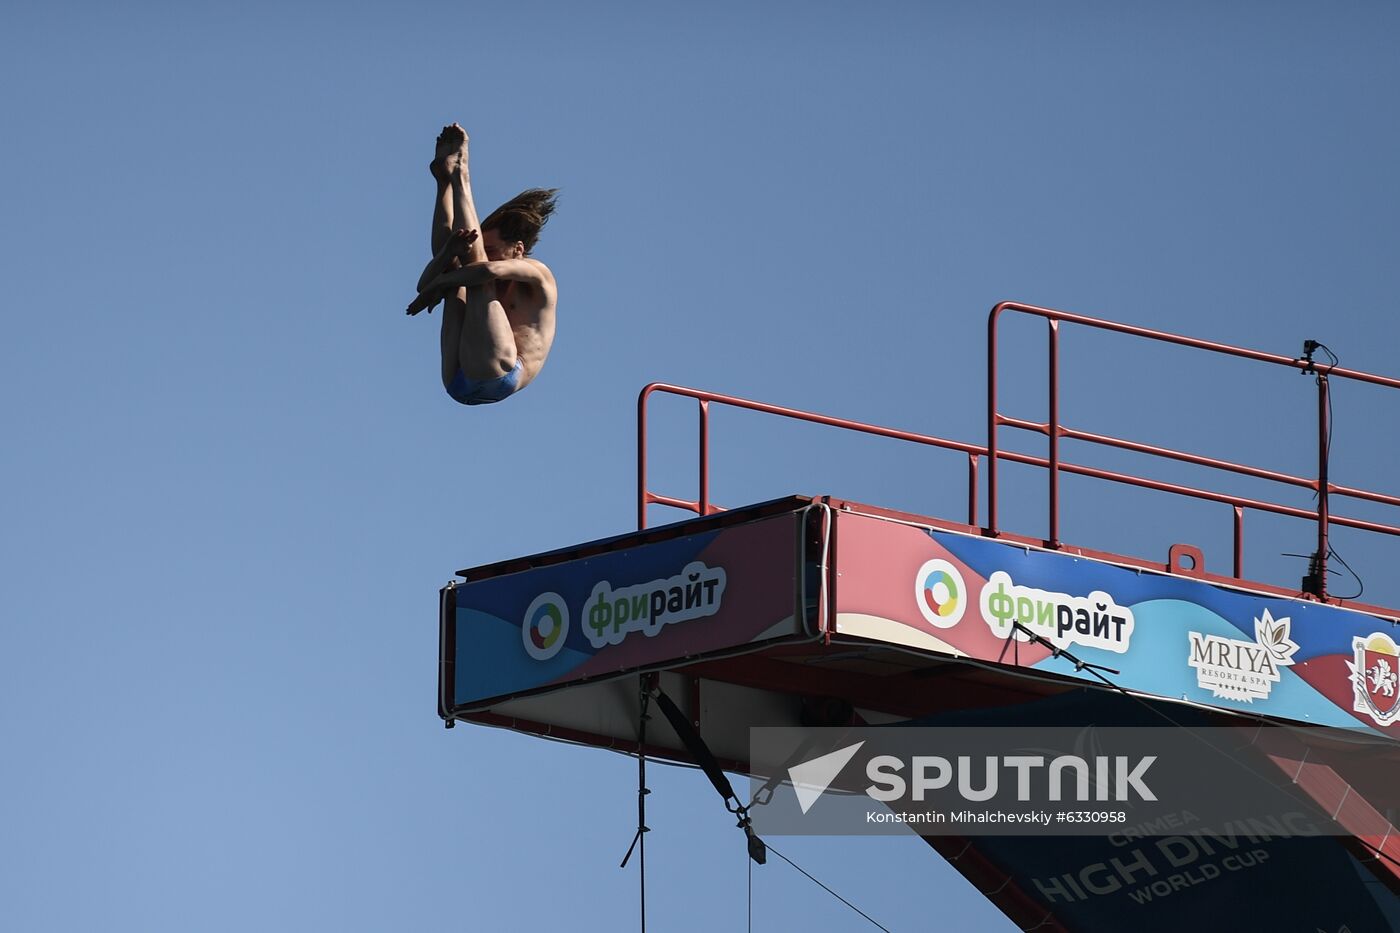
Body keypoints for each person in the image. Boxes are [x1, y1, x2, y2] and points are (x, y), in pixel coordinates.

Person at [407, 124, 558, 406]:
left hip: (500, 372)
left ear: (518, 250)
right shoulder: (476, 280)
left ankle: (461, 175)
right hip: (456, 381)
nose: (484, 254)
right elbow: (425, 282)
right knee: (458, 269)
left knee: (476, 275)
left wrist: (437, 284)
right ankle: (443, 183)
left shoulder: (539, 274)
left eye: (490, 249)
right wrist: (448, 253)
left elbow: (486, 270)